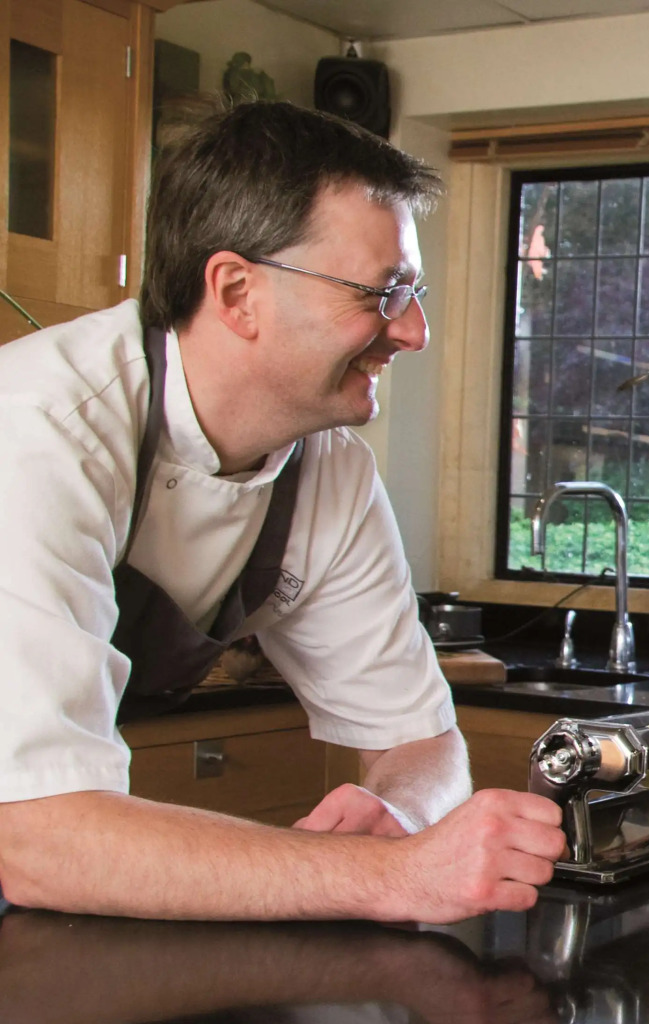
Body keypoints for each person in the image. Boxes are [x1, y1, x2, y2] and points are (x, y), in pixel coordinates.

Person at [0, 101, 567, 922]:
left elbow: (419, 741)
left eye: (413, 290)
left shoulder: (330, 468)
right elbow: (38, 839)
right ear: (237, 291)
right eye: (382, 292)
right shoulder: (38, 431)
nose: (414, 331)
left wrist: (401, 814)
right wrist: (395, 875)